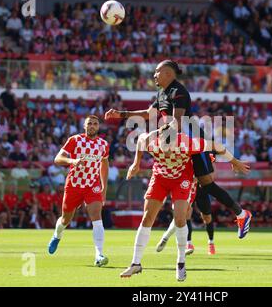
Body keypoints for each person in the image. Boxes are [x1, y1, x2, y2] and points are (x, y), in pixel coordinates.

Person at [104, 60, 252, 241]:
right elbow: (149, 114)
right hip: (178, 143)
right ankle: (231, 218)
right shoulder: (162, 93)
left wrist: (155, 133)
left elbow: (177, 122)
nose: (154, 75)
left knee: (207, 184)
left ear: (168, 73)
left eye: (157, 72)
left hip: (192, 142)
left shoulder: (178, 91)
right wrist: (122, 114)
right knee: (201, 187)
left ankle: (240, 214)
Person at [120, 129, 249, 281]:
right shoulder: (151, 141)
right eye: (164, 148)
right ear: (159, 140)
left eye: (171, 148)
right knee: (147, 218)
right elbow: (140, 140)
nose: (167, 153)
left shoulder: (188, 143)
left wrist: (235, 162)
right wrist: (136, 164)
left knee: (181, 218)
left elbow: (218, 146)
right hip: (160, 178)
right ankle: (136, 263)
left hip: (181, 179)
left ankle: (181, 263)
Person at [47, 115, 110, 268]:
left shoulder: (104, 144)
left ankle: (99, 255)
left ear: (98, 127)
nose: (93, 126)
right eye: (90, 123)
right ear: (84, 126)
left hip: (92, 185)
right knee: (65, 219)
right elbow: (57, 159)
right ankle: (57, 235)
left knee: (97, 217)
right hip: (74, 184)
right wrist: (72, 161)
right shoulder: (75, 140)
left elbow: (104, 164)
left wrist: (104, 188)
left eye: (95, 124)